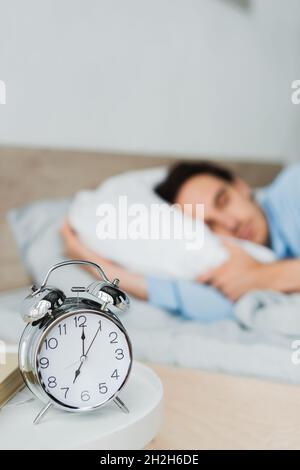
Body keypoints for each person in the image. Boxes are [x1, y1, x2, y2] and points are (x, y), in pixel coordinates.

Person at [61, 161, 300, 322]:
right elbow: (216, 307)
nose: (230, 223)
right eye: (209, 225)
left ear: (240, 186)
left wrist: (263, 277)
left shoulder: (293, 190)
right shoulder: (234, 260)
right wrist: (94, 263)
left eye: (223, 200)